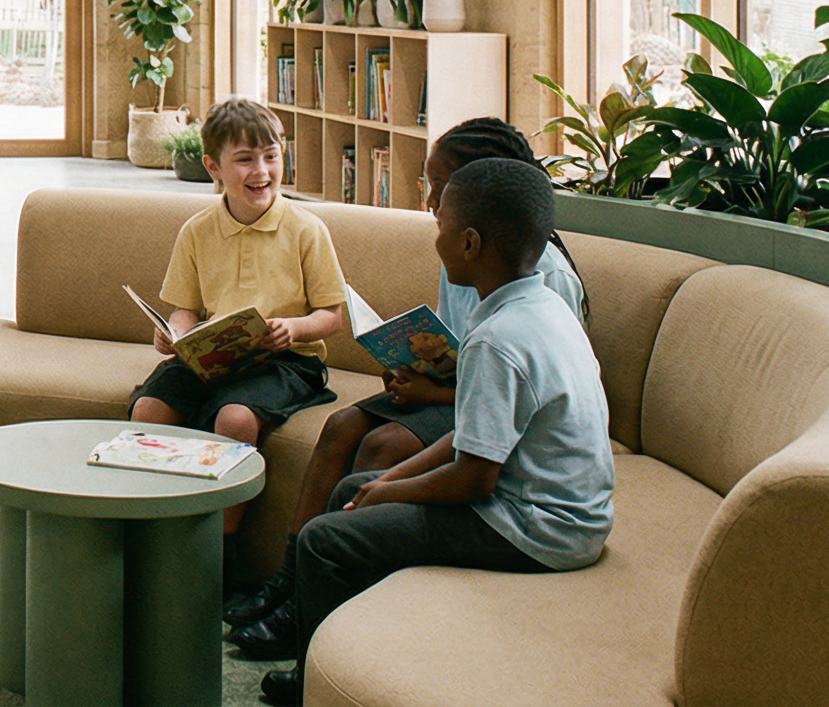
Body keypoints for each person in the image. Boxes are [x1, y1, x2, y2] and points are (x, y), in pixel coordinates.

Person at [251, 159, 613, 705]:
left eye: (440, 223)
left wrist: (389, 491)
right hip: (561, 507)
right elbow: (474, 438)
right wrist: (385, 480)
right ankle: (349, 653)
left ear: (469, 243)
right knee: (354, 489)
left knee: (327, 541)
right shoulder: (543, 305)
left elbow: (474, 481)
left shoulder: (497, 340)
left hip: (539, 527)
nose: (434, 233)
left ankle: (312, 689)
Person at [130, 96, 347, 577]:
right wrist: (175, 334)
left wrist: (293, 328)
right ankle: (153, 529)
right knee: (148, 410)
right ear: (213, 167)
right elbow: (185, 307)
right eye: (245, 159)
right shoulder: (197, 230)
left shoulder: (306, 229)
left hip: (289, 360)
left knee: (234, 419)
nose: (262, 170)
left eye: (271, 155)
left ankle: (218, 555)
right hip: (217, 355)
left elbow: (330, 315)